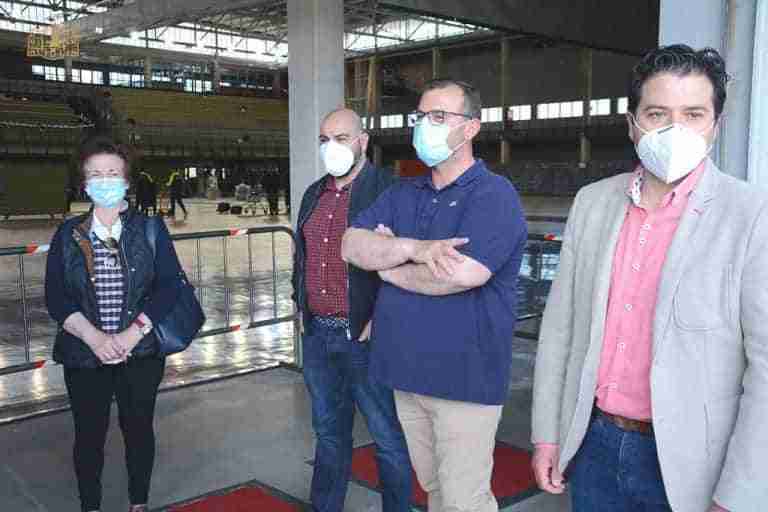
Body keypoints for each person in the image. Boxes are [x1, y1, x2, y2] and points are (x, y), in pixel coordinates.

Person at [531, 45, 768, 512]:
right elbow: (560, 330)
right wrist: (547, 435)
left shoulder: (751, 215)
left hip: (693, 462)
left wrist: (739, 494)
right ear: (632, 124)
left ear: (716, 125)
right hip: (594, 444)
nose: (675, 130)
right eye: (657, 114)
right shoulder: (593, 203)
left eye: (694, 114)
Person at [342, 79, 528, 512]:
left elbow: (461, 275)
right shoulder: (404, 192)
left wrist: (387, 266)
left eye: (439, 116)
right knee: (435, 489)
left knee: (464, 500)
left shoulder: (493, 195)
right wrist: (415, 249)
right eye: (421, 116)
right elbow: (351, 245)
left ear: (471, 128)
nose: (425, 125)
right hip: (406, 373)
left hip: (463, 380)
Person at [44, 135, 185, 512]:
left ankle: (138, 502)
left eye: (112, 173)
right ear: (84, 182)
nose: (104, 180)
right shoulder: (68, 234)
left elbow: (170, 286)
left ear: (126, 179)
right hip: (84, 355)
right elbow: (56, 296)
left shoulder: (150, 229)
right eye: (95, 174)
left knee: (138, 431)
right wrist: (94, 338)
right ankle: (90, 505)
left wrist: (132, 334)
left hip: (139, 354)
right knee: (88, 436)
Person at [292, 108, 412, 512]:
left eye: (341, 138)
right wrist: (299, 304)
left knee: (387, 437)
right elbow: (302, 257)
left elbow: (407, 260)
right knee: (328, 434)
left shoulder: (389, 192)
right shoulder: (314, 194)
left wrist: (383, 316)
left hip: (365, 338)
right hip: (317, 335)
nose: (332, 147)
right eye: (324, 139)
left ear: (363, 141)